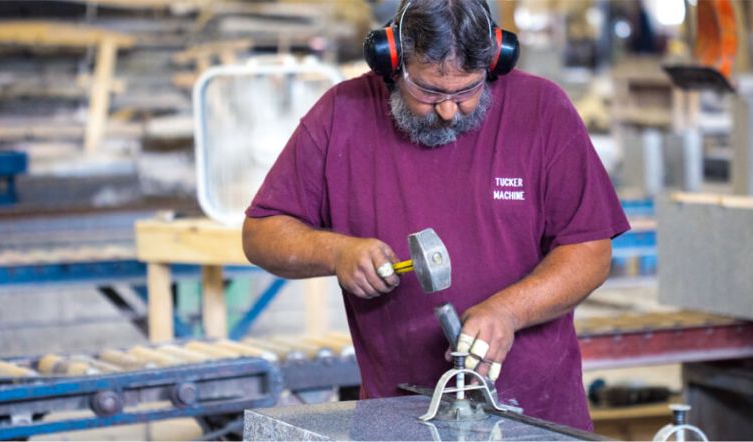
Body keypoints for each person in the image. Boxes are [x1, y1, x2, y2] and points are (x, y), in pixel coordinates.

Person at [242, 0, 629, 431]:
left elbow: (590, 250)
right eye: (429, 91)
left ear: (495, 61)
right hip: (399, 418)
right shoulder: (341, 115)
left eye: (467, 91)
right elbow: (261, 233)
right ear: (392, 61)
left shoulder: (543, 112)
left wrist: (509, 312)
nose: (448, 110)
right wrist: (335, 251)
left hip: (538, 418)